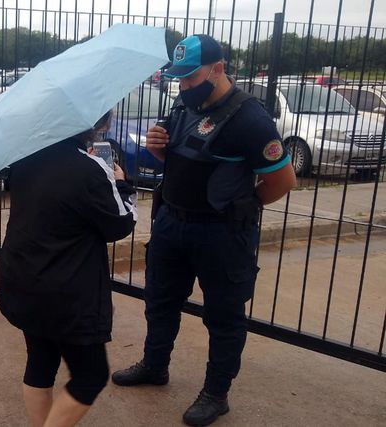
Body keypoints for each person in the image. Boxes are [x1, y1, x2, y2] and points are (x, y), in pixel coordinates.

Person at [110, 34, 296, 426]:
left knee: (224, 316)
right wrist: (159, 149)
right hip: (173, 223)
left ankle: (216, 393)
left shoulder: (251, 119)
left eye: (191, 78)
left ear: (218, 69)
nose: (183, 86)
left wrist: (246, 208)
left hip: (222, 233)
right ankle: (155, 366)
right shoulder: (184, 104)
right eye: (179, 78)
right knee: (160, 301)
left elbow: (283, 180)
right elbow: (183, 158)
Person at [0, 111, 137, 427]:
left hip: (22, 278)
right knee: (91, 375)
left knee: (41, 360)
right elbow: (119, 224)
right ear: (91, 126)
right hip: (66, 292)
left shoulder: (26, 158)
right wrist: (121, 184)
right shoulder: (89, 170)